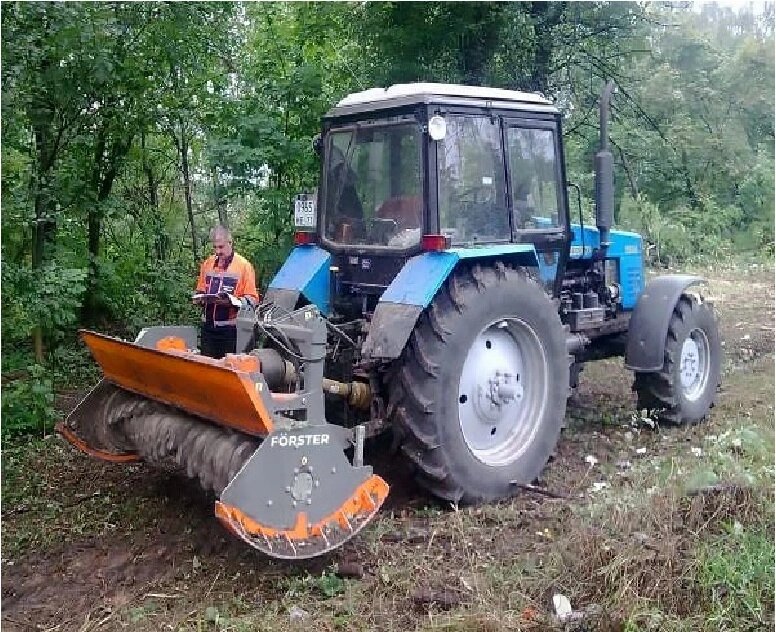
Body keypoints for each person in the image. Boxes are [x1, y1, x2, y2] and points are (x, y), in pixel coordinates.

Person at [194, 225, 259, 358]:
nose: (217, 251)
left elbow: (253, 300)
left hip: (230, 330)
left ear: (230, 243)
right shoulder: (207, 264)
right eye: (215, 247)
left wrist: (231, 302)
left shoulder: (244, 266)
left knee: (227, 369)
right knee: (207, 369)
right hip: (208, 328)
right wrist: (199, 298)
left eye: (221, 247)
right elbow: (200, 290)